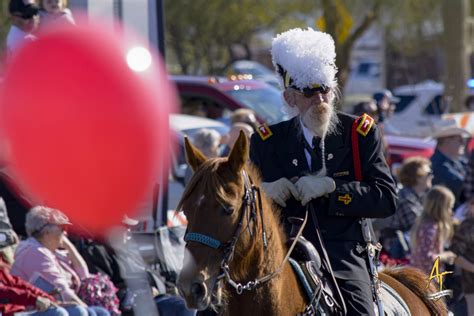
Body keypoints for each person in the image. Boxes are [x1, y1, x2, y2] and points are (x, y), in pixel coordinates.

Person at [249, 28, 397, 315]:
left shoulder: (360, 134)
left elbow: (385, 199)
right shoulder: (266, 141)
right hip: (280, 248)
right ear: (290, 98)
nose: (320, 101)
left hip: (341, 252)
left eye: (325, 90)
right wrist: (263, 193)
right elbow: (241, 203)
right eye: (309, 92)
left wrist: (333, 189)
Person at [11, 206, 110, 316]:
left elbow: (84, 276)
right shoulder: (34, 252)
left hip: (54, 304)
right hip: (30, 308)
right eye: (62, 228)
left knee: (102, 312)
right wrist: (87, 309)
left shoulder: (52, 251)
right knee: (80, 312)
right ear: (47, 232)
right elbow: (62, 290)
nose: (66, 233)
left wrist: (69, 246)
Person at [375, 156, 433, 258]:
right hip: (396, 251)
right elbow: (418, 225)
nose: (432, 176)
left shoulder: (417, 196)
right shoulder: (406, 197)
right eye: (429, 174)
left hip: (405, 248)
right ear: (418, 176)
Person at [410, 185, 456, 273]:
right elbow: (424, 257)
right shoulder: (430, 227)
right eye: (449, 207)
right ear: (441, 208)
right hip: (426, 278)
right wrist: (444, 256)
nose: (451, 212)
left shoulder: (428, 224)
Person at [430, 126, 471, 208]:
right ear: (447, 141)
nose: (464, 143)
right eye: (460, 140)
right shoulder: (437, 163)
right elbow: (460, 184)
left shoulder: (458, 161)